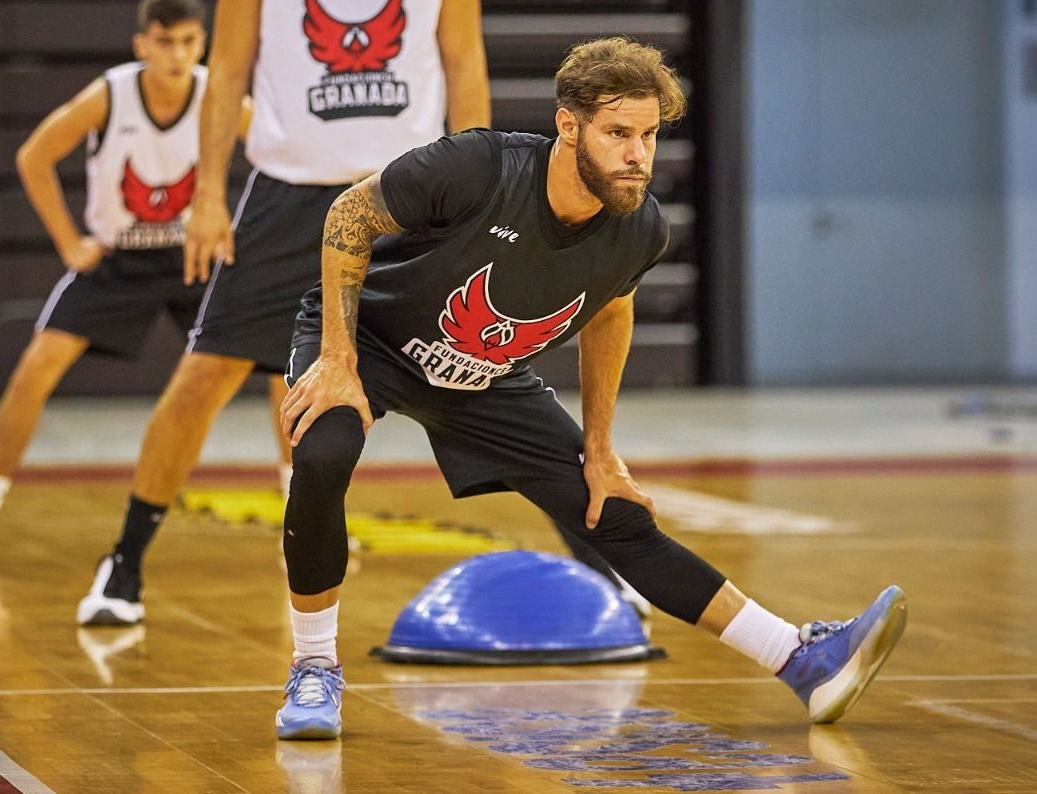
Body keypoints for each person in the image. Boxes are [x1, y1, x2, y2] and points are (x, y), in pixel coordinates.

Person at [272, 37, 908, 739]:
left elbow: (610, 309)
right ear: (568, 126)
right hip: (369, 341)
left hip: (483, 375)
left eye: (648, 136)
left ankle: (800, 660)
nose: (638, 154)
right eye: (618, 134)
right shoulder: (478, 167)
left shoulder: (639, 230)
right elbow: (348, 216)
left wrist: (602, 446)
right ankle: (314, 669)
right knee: (323, 453)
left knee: (613, 512)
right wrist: (336, 355)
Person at [75, 0, 493, 625]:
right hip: (286, 195)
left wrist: (475, 180)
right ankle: (125, 561)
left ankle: (598, 565)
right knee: (203, 377)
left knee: (487, 375)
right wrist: (204, 195)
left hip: (399, 194)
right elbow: (223, 71)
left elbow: (465, 61)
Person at [0, 0, 215, 560]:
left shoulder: (219, 97)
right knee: (35, 367)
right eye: (165, 42)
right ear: (141, 43)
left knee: (281, 361)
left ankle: (300, 509)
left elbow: (276, 157)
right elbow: (34, 156)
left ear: (203, 43)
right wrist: (70, 243)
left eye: (189, 42)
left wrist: (226, 221)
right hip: (117, 258)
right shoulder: (110, 95)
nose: (177, 56)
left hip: (192, 258)